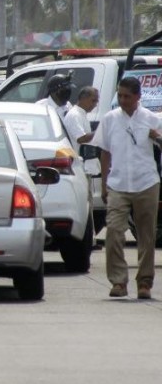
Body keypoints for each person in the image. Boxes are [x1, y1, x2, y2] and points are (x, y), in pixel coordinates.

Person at [91, 77, 161, 299]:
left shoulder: (152, 119)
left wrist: (157, 137)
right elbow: (105, 152)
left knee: (146, 235)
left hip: (146, 182)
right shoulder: (110, 119)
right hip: (118, 183)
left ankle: (145, 282)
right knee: (114, 231)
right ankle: (119, 281)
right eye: (119, 96)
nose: (122, 100)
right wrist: (104, 183)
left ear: (138, 97)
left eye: (127, 96)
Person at [63, 86, 100, 156]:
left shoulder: (81, 114)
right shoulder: (74, 115)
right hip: (77, 161)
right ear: (83, 98)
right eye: (93, 101)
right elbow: (81, 138)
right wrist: (101, 130)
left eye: (96, 101)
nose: (95, 105)